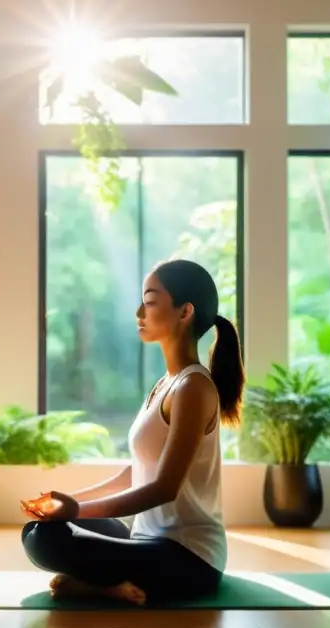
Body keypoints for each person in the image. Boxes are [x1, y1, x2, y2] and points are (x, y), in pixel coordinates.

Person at [20, 259, 245, 606]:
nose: (140, 311)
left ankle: (104, 588)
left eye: (151, 301)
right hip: (147, 540)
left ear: (185, 311)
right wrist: (66, 502)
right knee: (39, 531)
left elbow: (164, 488)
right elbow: (136, 472)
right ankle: (109, 583)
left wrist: (76, 510)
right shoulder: (166, 384)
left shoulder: (193, 388)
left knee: (48, 542)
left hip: (188, 559)